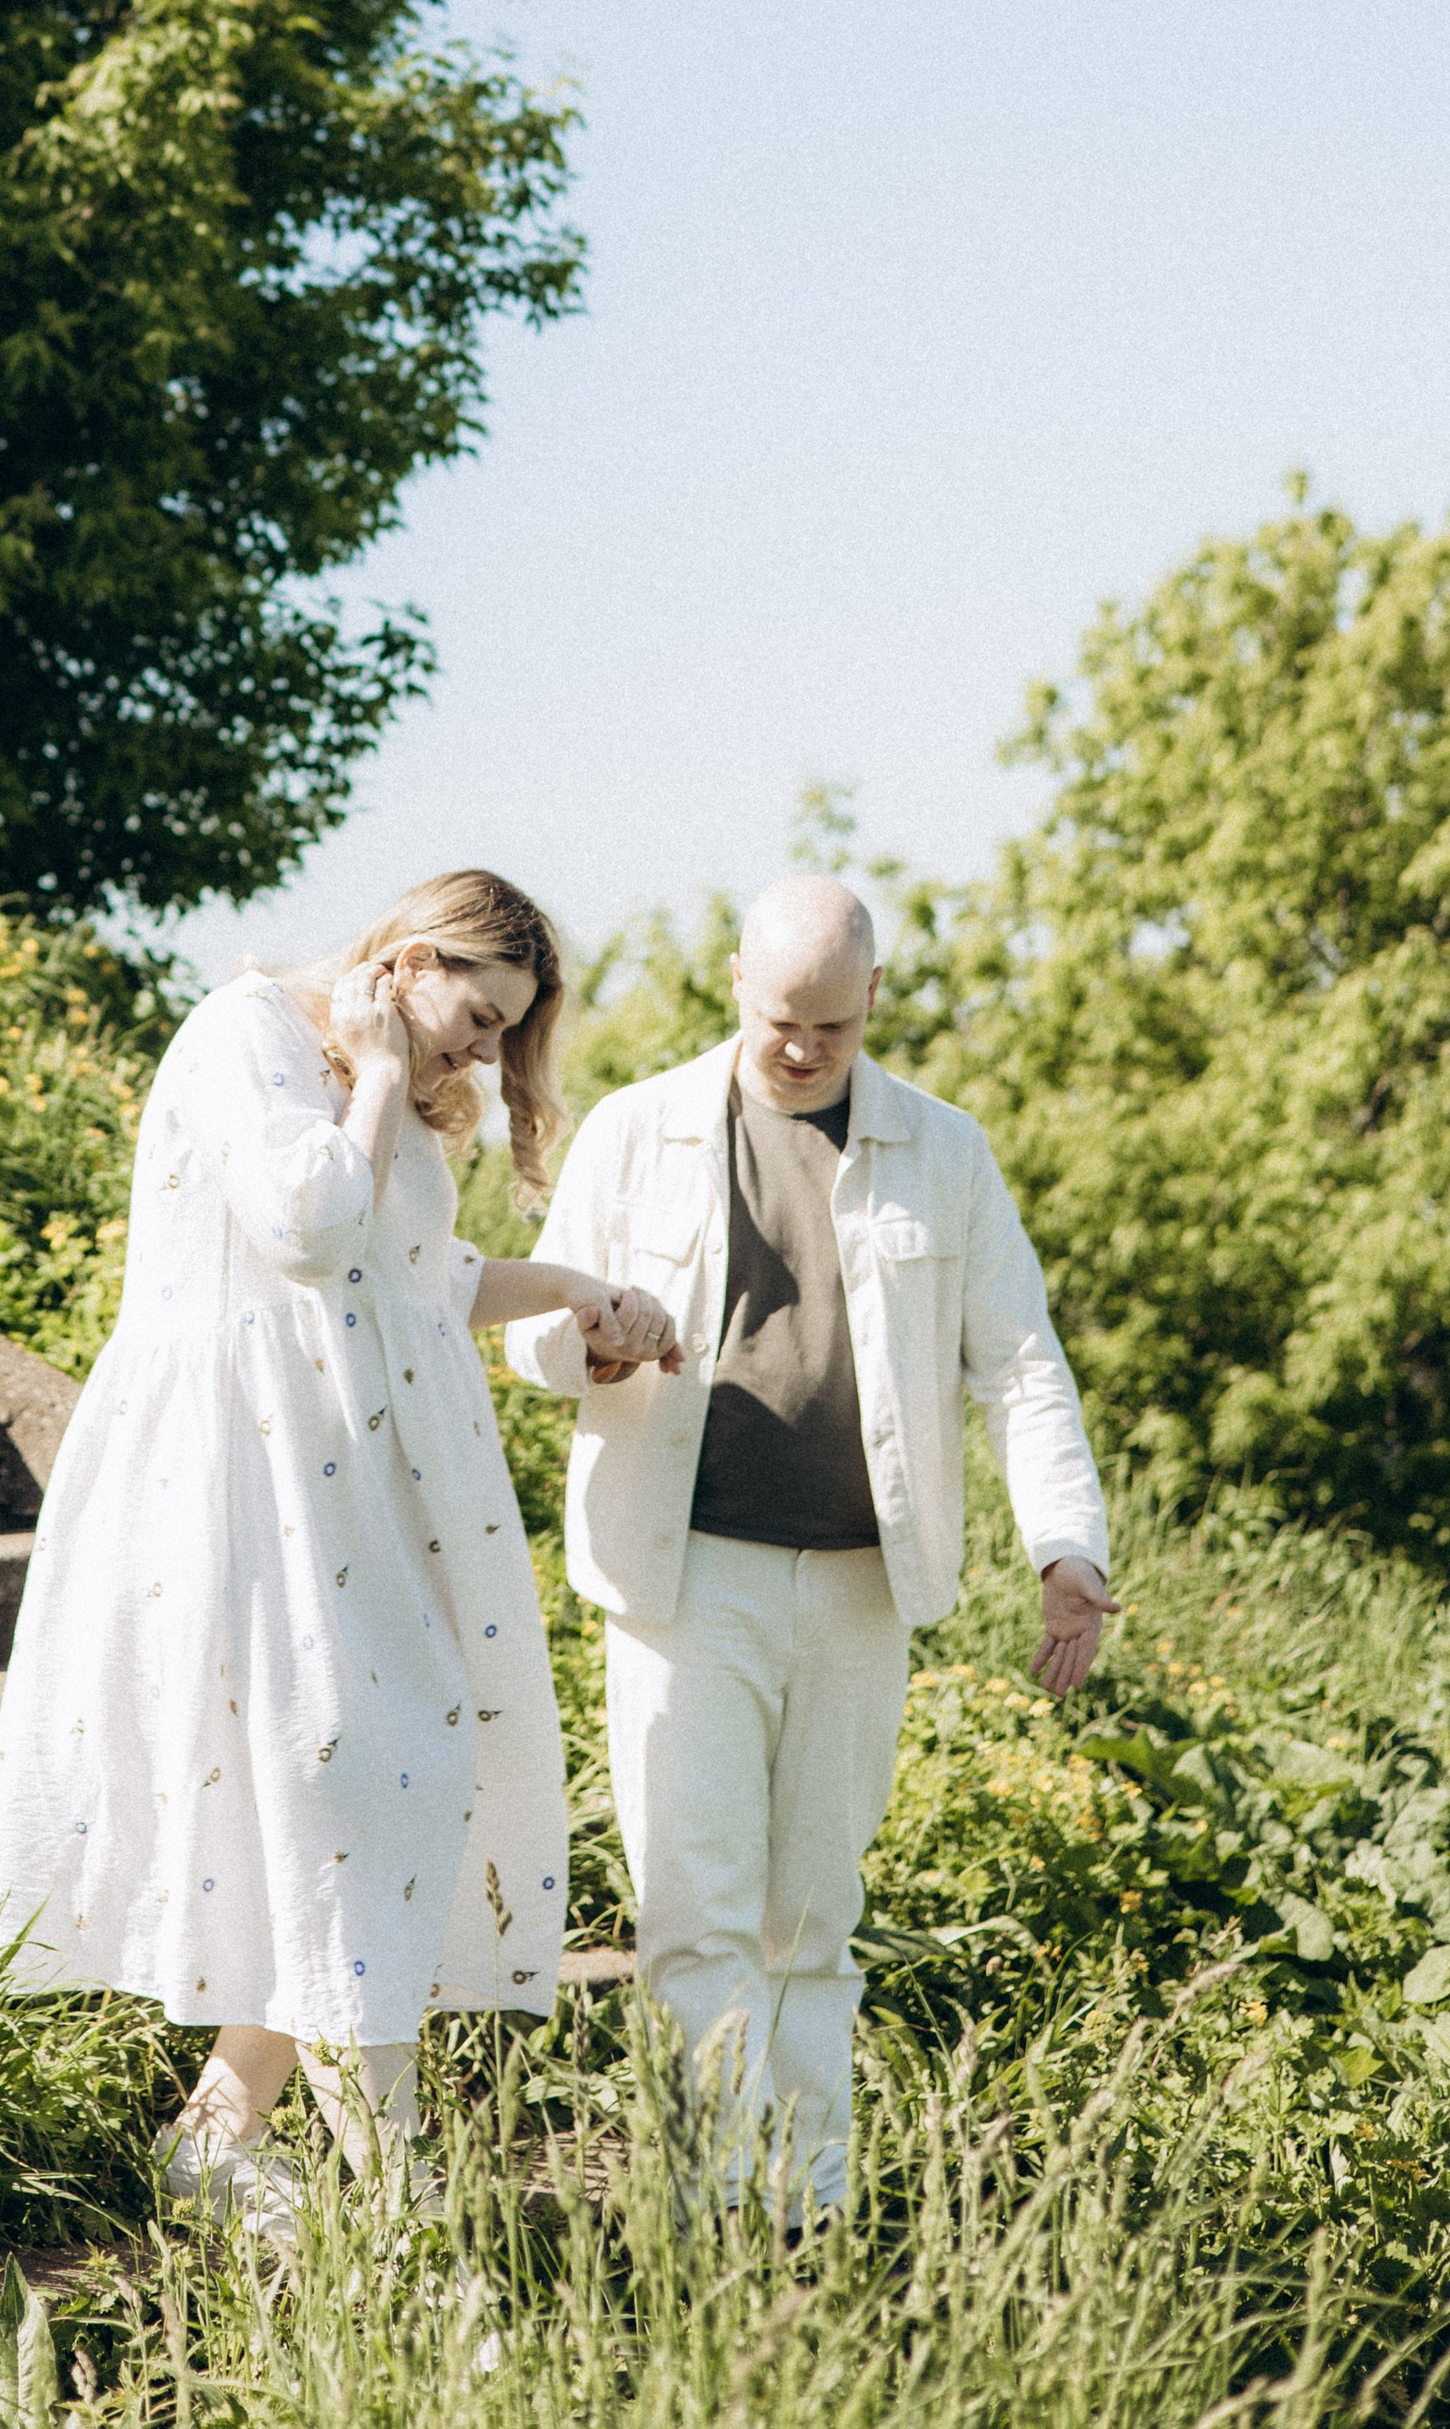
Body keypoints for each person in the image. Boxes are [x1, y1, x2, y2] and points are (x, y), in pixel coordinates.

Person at [0, 870, 678, 2234]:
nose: (480, 1054)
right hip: (242, 1466)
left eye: (499, 1036)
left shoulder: (397, 1089)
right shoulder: (248, 1033)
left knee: (382, 1781)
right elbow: (307, 1230)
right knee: (344, 1777)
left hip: (356, 1481)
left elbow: (426, 1278)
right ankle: (392, 2181)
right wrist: (367, 1070)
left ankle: (221, 2131)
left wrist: (588, 1292)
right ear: (408, 961)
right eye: (474, 1017)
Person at [506, 872, 1113, 2217]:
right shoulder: (638, 1127)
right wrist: (591, 1333)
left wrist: (1065, 1541)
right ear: (736, 980)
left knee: (812, 1918)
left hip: (860, 1589)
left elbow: (1020, 1364)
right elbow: (535, 1334)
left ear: (875, 1001)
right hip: (682, 1575)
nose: (802, 1048)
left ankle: (812, 2207)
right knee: (697, 1905)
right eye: (783, 1018)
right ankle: (720, 2203)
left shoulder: (944, 1152)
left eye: (831, 1028)